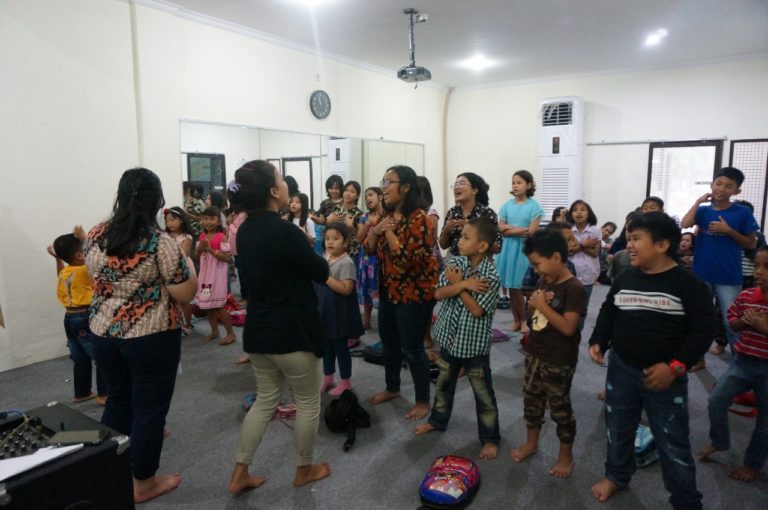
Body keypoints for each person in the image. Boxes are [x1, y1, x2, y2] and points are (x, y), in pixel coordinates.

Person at [587, 212, 716, 508]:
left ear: (661, 245)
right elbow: (609, 311)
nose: (629, 245)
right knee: (618, 428)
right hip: (621, 368)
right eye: (628, 239)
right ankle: (617, 475)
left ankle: (685, 499)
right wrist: (599, 340)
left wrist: (676, 366)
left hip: (666, 376)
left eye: (636, 239)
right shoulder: (625, 277)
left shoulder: (687, 284)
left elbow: (703, 331)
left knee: (672, 440)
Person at [85, 168, 196, 503]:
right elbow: (185, 293)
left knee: (118, 400)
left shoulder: (95, 234)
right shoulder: (160, 242)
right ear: (157, 200)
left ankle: (109, 472)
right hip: (150, 335)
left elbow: (94, 278)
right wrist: (186, 266)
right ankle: (143, 483)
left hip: (103, 332)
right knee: (149, 410)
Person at [228, 160, 331, 493]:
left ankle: (240, 471)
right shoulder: (286, 231)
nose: (286, 184)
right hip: (294, 330)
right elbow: (320, 271)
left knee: (265, 400)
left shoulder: (244, 229)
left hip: (259, 330)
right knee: (308, 402)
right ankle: (304, 469)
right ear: (273, 191)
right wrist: (305, 242)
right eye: (281, 179)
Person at [414, 217, 501, 459]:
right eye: (460, 236)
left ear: (482, 246)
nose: (460, 241)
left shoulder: (490, 276)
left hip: (474, 347)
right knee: (443, 385)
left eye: (465, 237)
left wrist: (459, 285)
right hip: (449, 341)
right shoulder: (455, 263)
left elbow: (477, 310)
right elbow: (439, 293)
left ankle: (490, 438)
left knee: (483, 394)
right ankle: (437, 421)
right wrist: (463, 284)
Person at [510, 229, 587, 479]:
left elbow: (568, 328)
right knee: (532, 401)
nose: (535, 270)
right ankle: (531, 443)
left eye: (537, 263)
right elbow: (535, 316)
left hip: (559, 359)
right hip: (535, 353)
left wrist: (541, 305)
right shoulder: (544, 281)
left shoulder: (574, 288)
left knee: (559, 408)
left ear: (555, 257)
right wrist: (535, 306)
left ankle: (566, 456)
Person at [367, 165, 439, 421]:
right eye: (383, 181)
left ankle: (422, 400)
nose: (384, 187)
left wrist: (386, 230)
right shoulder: (387, 215)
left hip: (414, 293)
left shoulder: (421, 219)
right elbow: (369, 249)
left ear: (406, 187)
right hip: (389, 288)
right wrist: (376, 231)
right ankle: (393, 387)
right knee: (389, 342)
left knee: (412, 347)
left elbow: (409, 259)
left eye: (389, 182)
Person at [697, 246, 768, 482]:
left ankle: (752, 464)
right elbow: (732, 322)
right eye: (756, 266)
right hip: (743, 362)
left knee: (765, 422)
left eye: (766, 267)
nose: (759, 272)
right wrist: (744, 322)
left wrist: (763, 327)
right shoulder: (747, 296)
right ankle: (719, 441)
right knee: (716, 400)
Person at [681, 167, 759, 353]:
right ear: (712, 184)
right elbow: (685, 224)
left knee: (731, 320)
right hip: (701, 273)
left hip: (729, 275)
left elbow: (751, 244)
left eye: (728, 186)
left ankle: (740, 360)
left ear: (736, 191)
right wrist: (698, 202)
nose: (721, 189)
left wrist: (728, 231)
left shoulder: (742, 212)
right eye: (719, 183)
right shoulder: (703, 210)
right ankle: (697, 359)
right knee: (699, 319)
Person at [48, 226, 107, 405]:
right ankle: (104, 395)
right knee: (102, 356)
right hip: (85, 316)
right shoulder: (83, 271)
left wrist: (57, 258)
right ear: (80, 255)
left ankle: (82, 392)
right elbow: (100, 261)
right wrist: (86, 238)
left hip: (69, 318)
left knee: (80, 358)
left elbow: (60, 272)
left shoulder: (66, 272)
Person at [318, 222, 365, 396]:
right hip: (326, 311)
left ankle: (346, 381)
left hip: (340, 314)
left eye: (335, 238)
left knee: (340, 348)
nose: (330, 242)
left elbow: (346, 289)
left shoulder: (347, 262)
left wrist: (326, 277)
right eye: (327, 238)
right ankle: (328, 377)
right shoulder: (325, 257)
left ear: (345, 243)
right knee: (326, 346)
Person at [497, 170, 543, 329]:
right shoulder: (507, 205)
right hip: (507, 249)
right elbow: (500, 228)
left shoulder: (534, 206)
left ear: (528, 185)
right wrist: (519, 229)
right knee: (510, 288)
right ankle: (517, 320)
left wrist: (509, 229)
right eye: (513, 183)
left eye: (519, 183)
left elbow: (531, 232)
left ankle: (524, 321)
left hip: (523, 250)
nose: (515, 186)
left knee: (520, 287)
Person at [195, 206, 236, 346]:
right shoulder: (201, 237)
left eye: (212, 219)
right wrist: (199, 249)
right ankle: (214, 331)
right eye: (205, 218)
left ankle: (230, 333)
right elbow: (196, 257)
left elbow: (227, 258)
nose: (208, 222)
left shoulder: (221, 237)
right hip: (205, 276)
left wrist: (212, 251)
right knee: (208, 305)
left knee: (219, 305)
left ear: (218, 221)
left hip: (217, 276)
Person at [439, 172, 500, 263]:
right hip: (453, 264)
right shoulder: (452, 212)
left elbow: (496, 247)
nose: (456, 187)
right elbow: (443, 246)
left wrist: (472, 231)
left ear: (474, 190)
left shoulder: (486, 213)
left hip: (478, 264)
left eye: (462, 183)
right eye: (455, 184)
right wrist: (446, 231)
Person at [164, 207, 197, 335]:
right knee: (173, 298)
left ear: (182, 220)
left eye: (173, 220)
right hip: (169, 269)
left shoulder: (186, 237)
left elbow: (183, 254)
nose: (170, 223)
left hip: (183, 269)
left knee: (184, 299)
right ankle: (176, 323)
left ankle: (187, 324)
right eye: (167, 221)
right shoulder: (166, 236)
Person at [568, 200, 601, 329]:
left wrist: (577, 246)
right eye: (575, 210)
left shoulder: (595, 230)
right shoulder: (568, 230)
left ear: (589, 213)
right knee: (569, 305)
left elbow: (595, 252)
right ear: (571, 214)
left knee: (582, 307)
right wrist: (584, 244)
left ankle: (578, 333)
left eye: (582, 209)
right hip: (570, 273)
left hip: (588, 274)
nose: (579, 212)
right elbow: (567, 251)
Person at [355, 186, 384, 330]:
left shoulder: (387, 216)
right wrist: (368, 224)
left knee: (381, 290)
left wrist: (378, 223)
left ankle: (385, 323)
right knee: (367, 289)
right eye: (366, 196)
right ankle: (366, 320)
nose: (367, 198)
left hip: (381, 258)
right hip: (366, 259)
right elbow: (358, 239)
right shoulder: (364, 217)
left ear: (380, 197)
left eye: (371, 195)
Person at [310, 175, 344, 254]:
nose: (333, 191)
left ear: (341, 189)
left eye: (336, 188)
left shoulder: (345, 202)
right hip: (329, 236)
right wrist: (314, 218)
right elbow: (322, 221)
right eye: (331, 188)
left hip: (343, 235)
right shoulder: (325, 203)